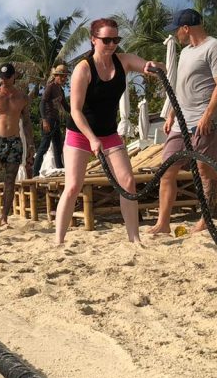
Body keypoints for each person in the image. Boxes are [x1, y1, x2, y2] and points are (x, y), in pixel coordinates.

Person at [54, 18, 162, 246]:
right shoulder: (83, 69)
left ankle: (134, 238)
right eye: (106, 40)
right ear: (93, 40)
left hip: (109, 133)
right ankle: (58, 240)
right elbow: (75, 110)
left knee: (128, 182)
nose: (112, 44)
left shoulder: (122, 61)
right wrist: (92, 138)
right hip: (80, 133)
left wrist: (153, 66)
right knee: (73, 185)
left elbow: (145, 65)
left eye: (116, 39)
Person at [147, 9, 217, 236]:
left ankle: (205, 221)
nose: (175, 34)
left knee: (205, 170)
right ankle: (162, 223)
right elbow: (182, 87)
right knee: (167, 170)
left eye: (177, 29)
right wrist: (173, 113)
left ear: (186, 28)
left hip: (207, 121)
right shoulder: (185, 53)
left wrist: (208, 115)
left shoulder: (215, 47)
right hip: (181, 121)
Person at [0, 63, 35, 226]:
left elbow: (26, 123)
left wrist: (31, 145)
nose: (3, 80)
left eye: (6, 77)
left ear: (13, 77)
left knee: (10, 180)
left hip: (14, 142)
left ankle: (4, 217)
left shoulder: (22, 97)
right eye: (1, 77)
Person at [32, 63, 70, 176]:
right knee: (44, 146)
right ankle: (35, 173)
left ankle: (60, 169)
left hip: (55, 120)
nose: (64, 78)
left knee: (58, 147)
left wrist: (77, 113)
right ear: (56, 76)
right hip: (48, 119)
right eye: (62, 76)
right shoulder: (51, 87)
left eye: (65, 76)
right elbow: (42, 103)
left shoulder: (61, 90)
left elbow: (66, 106)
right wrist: (44, 120)